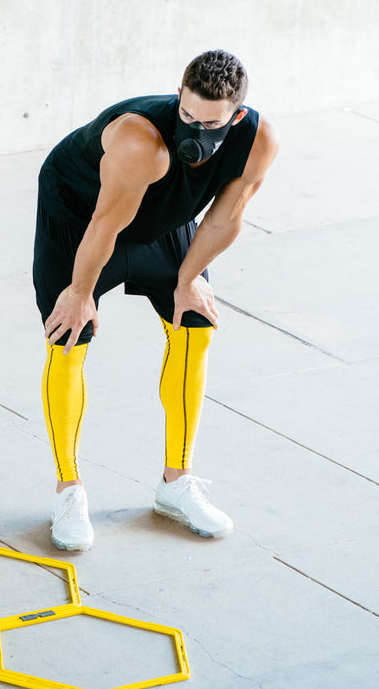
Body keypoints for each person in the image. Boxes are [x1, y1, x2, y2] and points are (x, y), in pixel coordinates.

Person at [33, 49, 278, 551]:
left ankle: (176, 484)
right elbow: (107, 223)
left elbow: (224, 218)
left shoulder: (257, 141)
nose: (195, 128)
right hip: (83, 216)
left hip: (162, 217)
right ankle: (69, 490)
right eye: (186, 114)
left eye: (209, 121)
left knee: (194, 325)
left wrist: (189, 279)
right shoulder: (139, 140)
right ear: (179, 96)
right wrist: (80, 293)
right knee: (69, 334)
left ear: (235, 115)